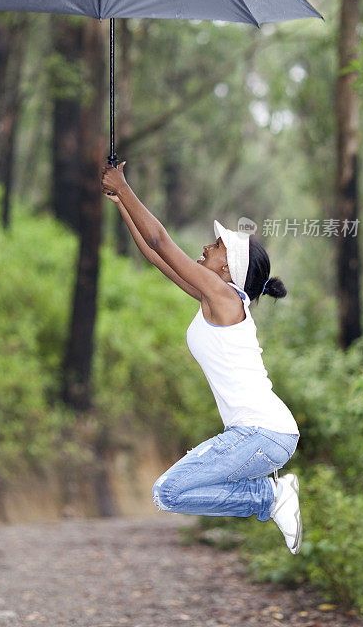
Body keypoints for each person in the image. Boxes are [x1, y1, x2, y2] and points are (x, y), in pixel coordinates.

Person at [101, 161, 302, 554]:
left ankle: (269, 496)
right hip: (263, 436)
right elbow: (155, 256)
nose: (207, 248)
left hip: (263, 434)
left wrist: (125, 186)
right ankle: (269, 495)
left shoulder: (225, 300)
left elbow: (162, 240)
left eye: (216, 246)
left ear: (227, 267)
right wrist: (120, 203)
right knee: (169, 494)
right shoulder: (216, 300)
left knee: (167, 491)